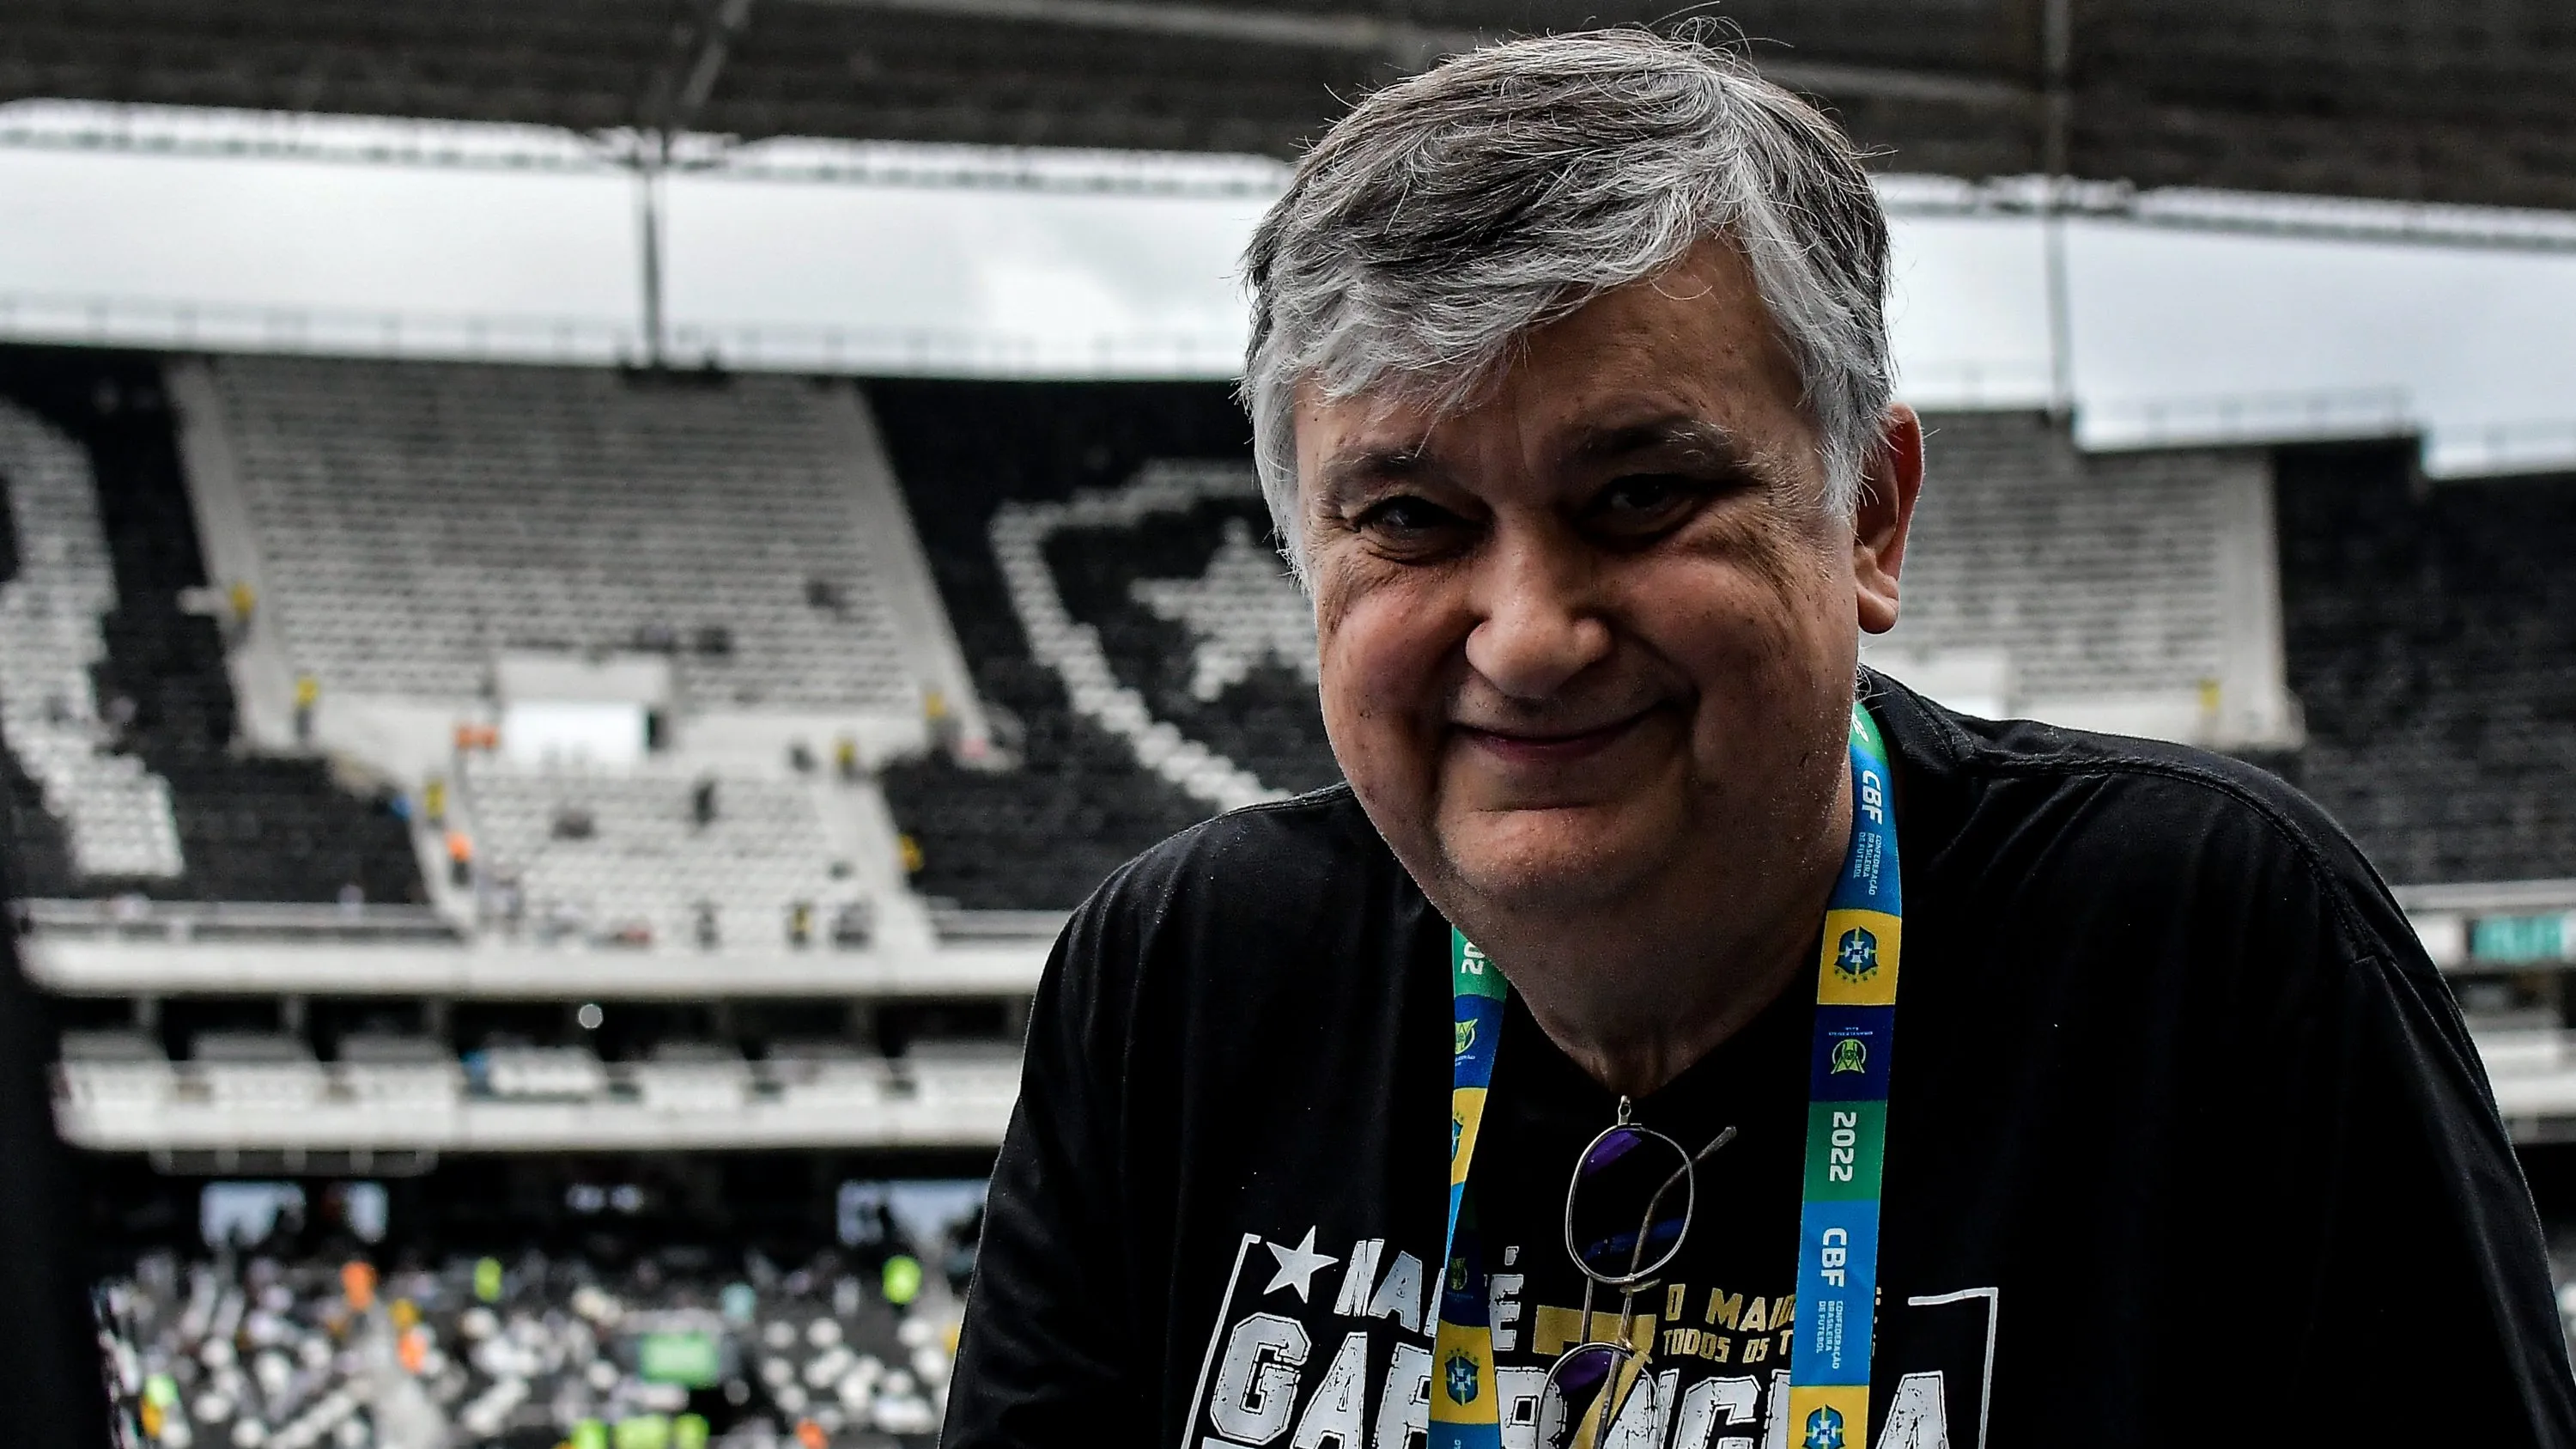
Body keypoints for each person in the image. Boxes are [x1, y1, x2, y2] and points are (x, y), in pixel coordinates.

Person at [945, 30, 2576, 1449]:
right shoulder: (1178, 976)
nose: (1526, 634)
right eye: (1413, 519)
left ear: (1867, 514)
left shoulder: (2216, 951)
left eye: (1641, 495)